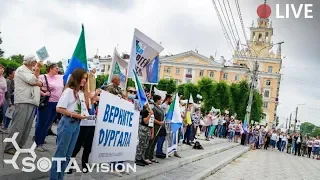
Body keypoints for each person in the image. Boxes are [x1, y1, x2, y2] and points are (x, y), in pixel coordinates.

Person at [50, 68, 89, 180]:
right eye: (83, 78)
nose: (85, 81)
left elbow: (83, 107)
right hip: (68, 123)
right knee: (60, 154)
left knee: (68, 155)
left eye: (86, 79)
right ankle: (54, 178)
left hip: (76, 124)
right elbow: (59, 108)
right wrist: (75, 115)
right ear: (77, 78)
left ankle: (60, 177)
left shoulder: (80, 93)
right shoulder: (68, 91)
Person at [4, 55, 43, 155]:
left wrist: (37, 81)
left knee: (27, 126)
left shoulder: (30, 71)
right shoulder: (21, 70)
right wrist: (37, 70)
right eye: (34, 60)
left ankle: (19, 145)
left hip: (31, 100)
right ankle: (10, 147)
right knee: (18, 124)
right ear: (30, 61)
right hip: (24, 100)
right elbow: (33, 81)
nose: (36, 62)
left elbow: (39, 82)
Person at [35, 63, 64, 152]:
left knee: (48, 124)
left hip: (56, 104)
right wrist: (44, 93)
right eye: (56, 68)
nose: (57, 70)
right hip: (46, 103)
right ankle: (37, 143)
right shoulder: (43, 77)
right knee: (41, 124)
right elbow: (35, 86)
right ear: (50, 69)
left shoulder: (60, 77)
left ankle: (41, 142)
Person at [0, 67, 15, 134]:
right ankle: (4, 127)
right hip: (7, 98)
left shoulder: (12, 80)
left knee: (9, 113)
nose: (15, 74)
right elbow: (7, 92)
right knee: (6, 113)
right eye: (14, 73)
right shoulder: (8, 81)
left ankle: (5, 127)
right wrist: (9, 100)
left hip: (11, 98)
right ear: (10, 74)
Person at [0, 64, 7, 128]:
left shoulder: (4, 79)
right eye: (0, 68)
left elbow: (5, 90)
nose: (2, 70)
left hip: (2, 98)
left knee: (1, 113)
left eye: (2, 68)